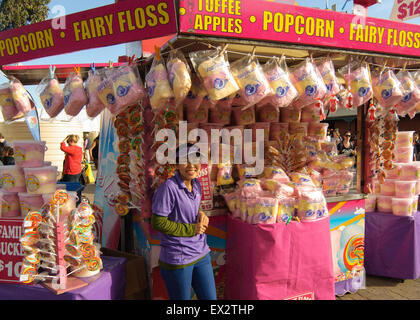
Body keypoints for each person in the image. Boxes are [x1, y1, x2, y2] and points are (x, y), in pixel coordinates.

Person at [151, 143, 216, 300]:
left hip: (201, 252)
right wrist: (191, 229)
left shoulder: (197, 184)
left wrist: (200, 214)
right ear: (176, 164)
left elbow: (191, 207)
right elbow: (158, 222)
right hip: (178, 257)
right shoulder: (169, 188)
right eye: (185, 160)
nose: (191, 165)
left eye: (195, 159)